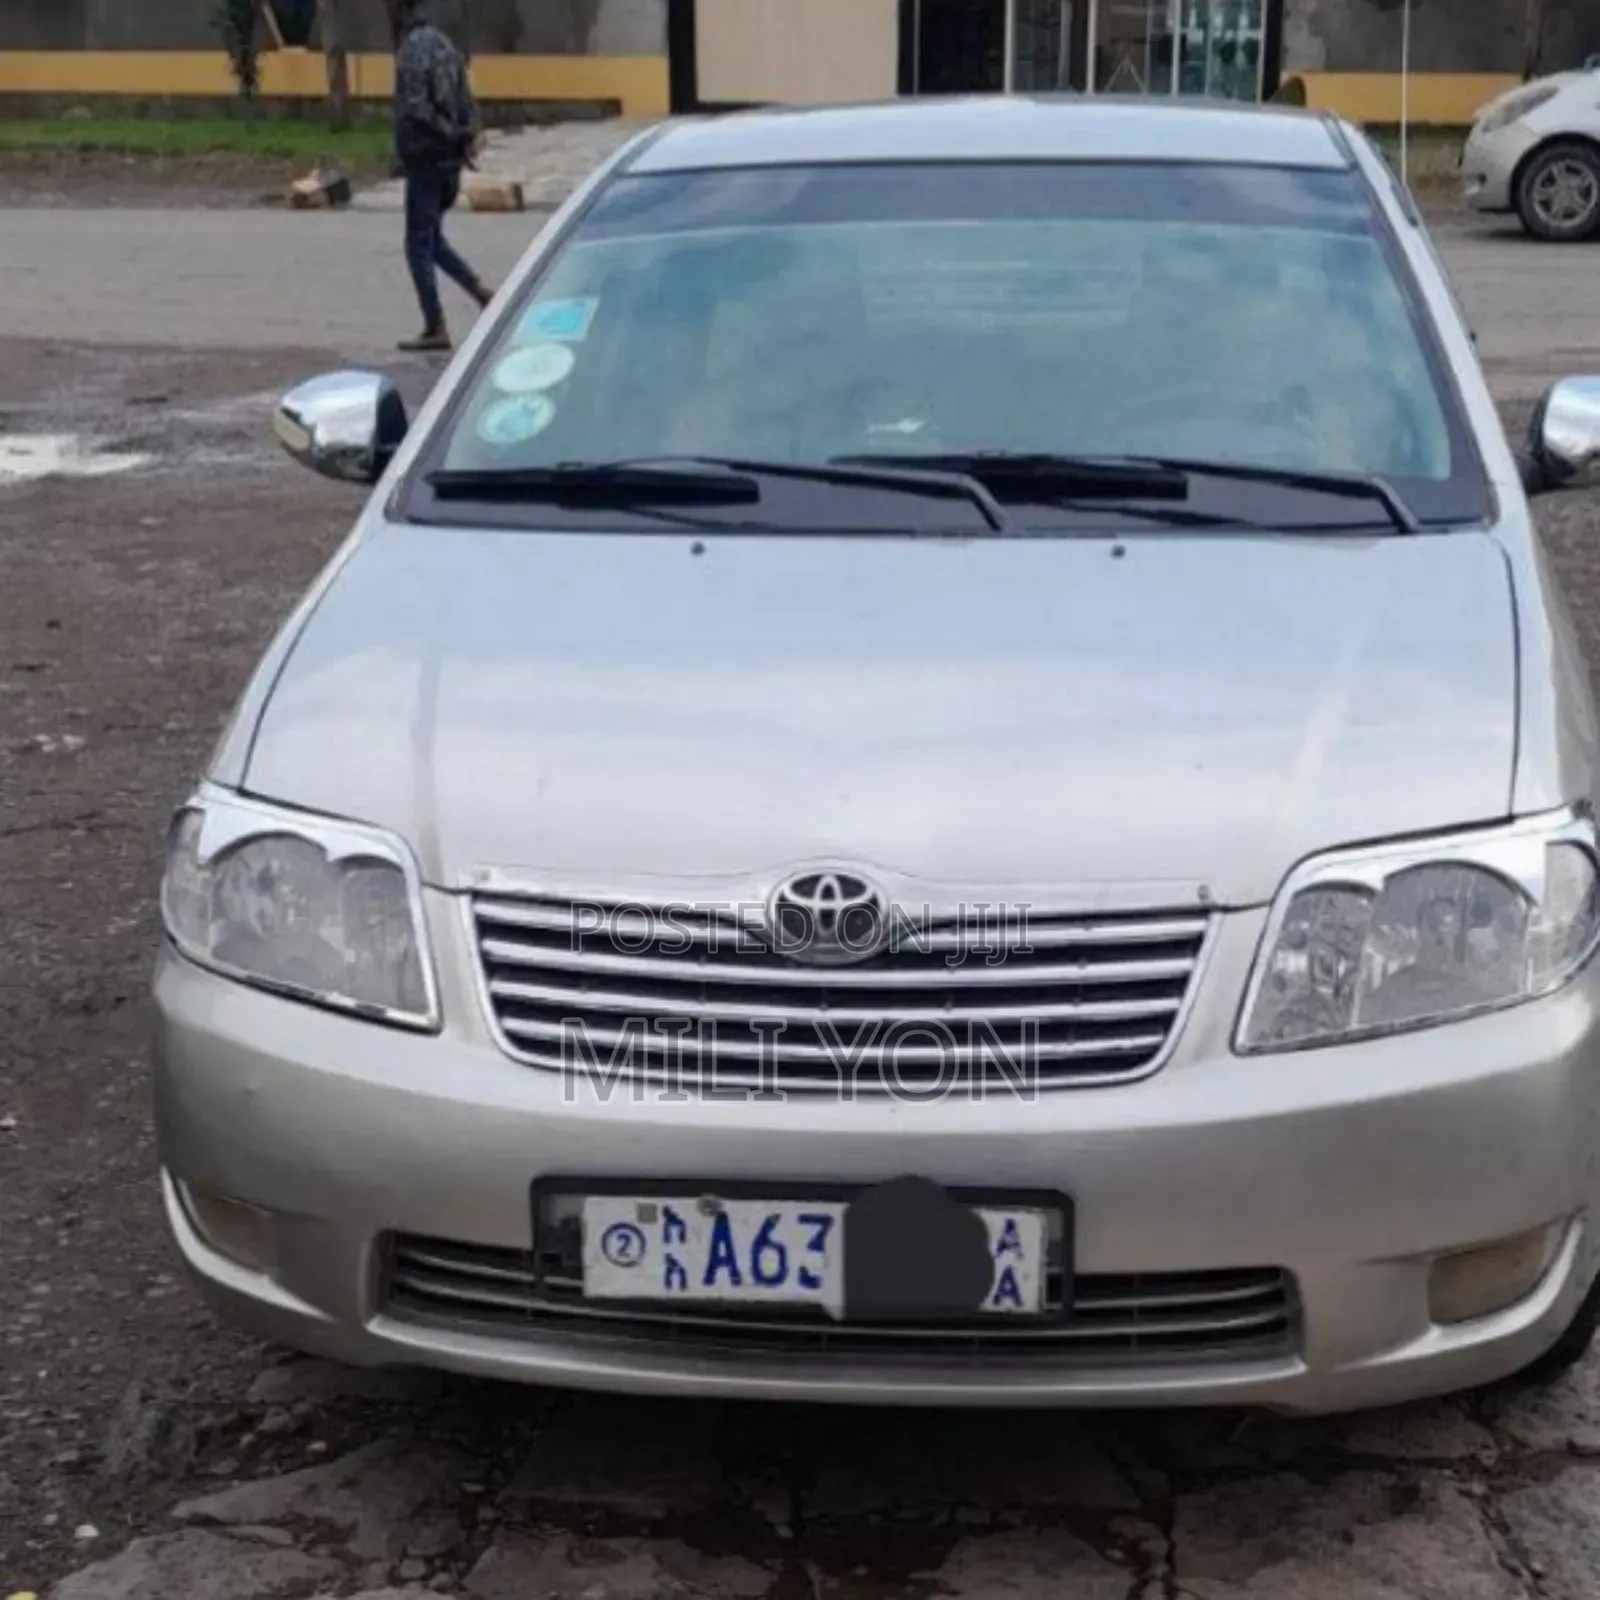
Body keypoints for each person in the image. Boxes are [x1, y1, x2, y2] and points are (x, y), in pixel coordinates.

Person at [393, 0, 495, 352]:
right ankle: (480, 291)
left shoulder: (411, 50)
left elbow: (417, 108)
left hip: (427, 160)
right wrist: (465, 138)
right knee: (432, 240)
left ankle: (435, 325)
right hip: (449, 163)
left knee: (417, 244)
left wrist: (446, 134)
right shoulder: (446, 46)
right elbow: (468, 100)